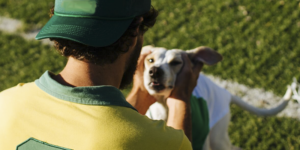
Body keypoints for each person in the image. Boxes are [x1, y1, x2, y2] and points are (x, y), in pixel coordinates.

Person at [0, 0, 202, 149]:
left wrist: (140, 95)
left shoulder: (5, 104)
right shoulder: (157, 142)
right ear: (134, 33)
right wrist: (180, 99)